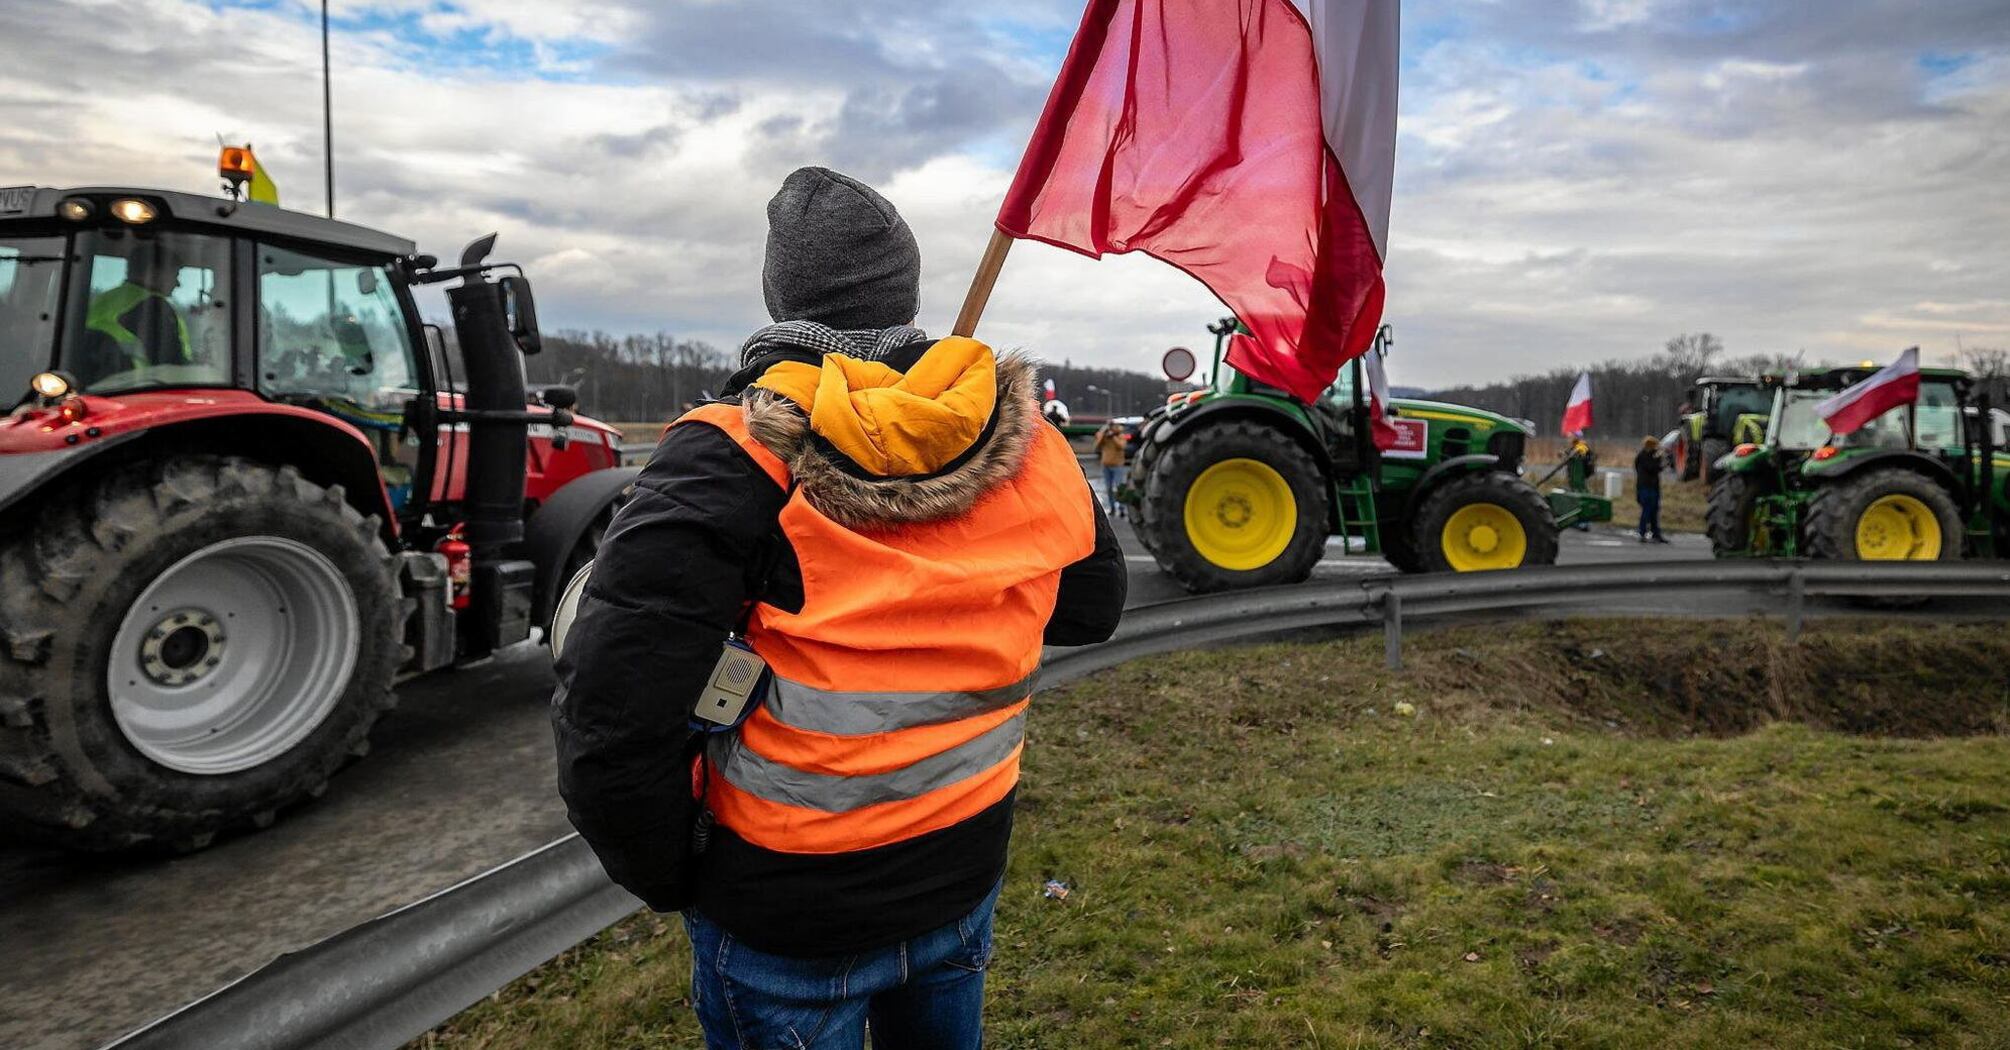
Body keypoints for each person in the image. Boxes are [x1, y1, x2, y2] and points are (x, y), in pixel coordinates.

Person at [551, 166, 1127, 1050]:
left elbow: (613, 716)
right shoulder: (1028, 440)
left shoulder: (730, 456)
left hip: (785, 912)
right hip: (961, 870)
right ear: (908, 294)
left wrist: (676, 875)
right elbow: (1091, 608)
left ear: (780, 297)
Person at [80, 239, 191, 383]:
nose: (178, 284)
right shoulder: (153, 306)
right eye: (175, 275)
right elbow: (172, 366)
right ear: (153, 272)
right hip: (138, 387)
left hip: (94, 386)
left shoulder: (102, 300)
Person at [1634, 435, 1668, 543]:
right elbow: (1652, 468)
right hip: (1646, 486)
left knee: (1654, 511)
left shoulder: (1648, 456)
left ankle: (1655, 533)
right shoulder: (1644, 456)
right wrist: (1660, 462)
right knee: (1647, 510)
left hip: (1651, 486)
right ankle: (1642, 532)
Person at [1093, 419, 1128, 518]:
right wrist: (1103, 436)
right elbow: (1096, 446)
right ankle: (1112, 508)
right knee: (1109, 488)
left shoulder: (1120, 436)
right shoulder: (1105, 437)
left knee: (1119, 487)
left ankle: (1122, 508)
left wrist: (1113, 437)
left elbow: (1121, 446)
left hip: (1117, 465)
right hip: (1106, 465)